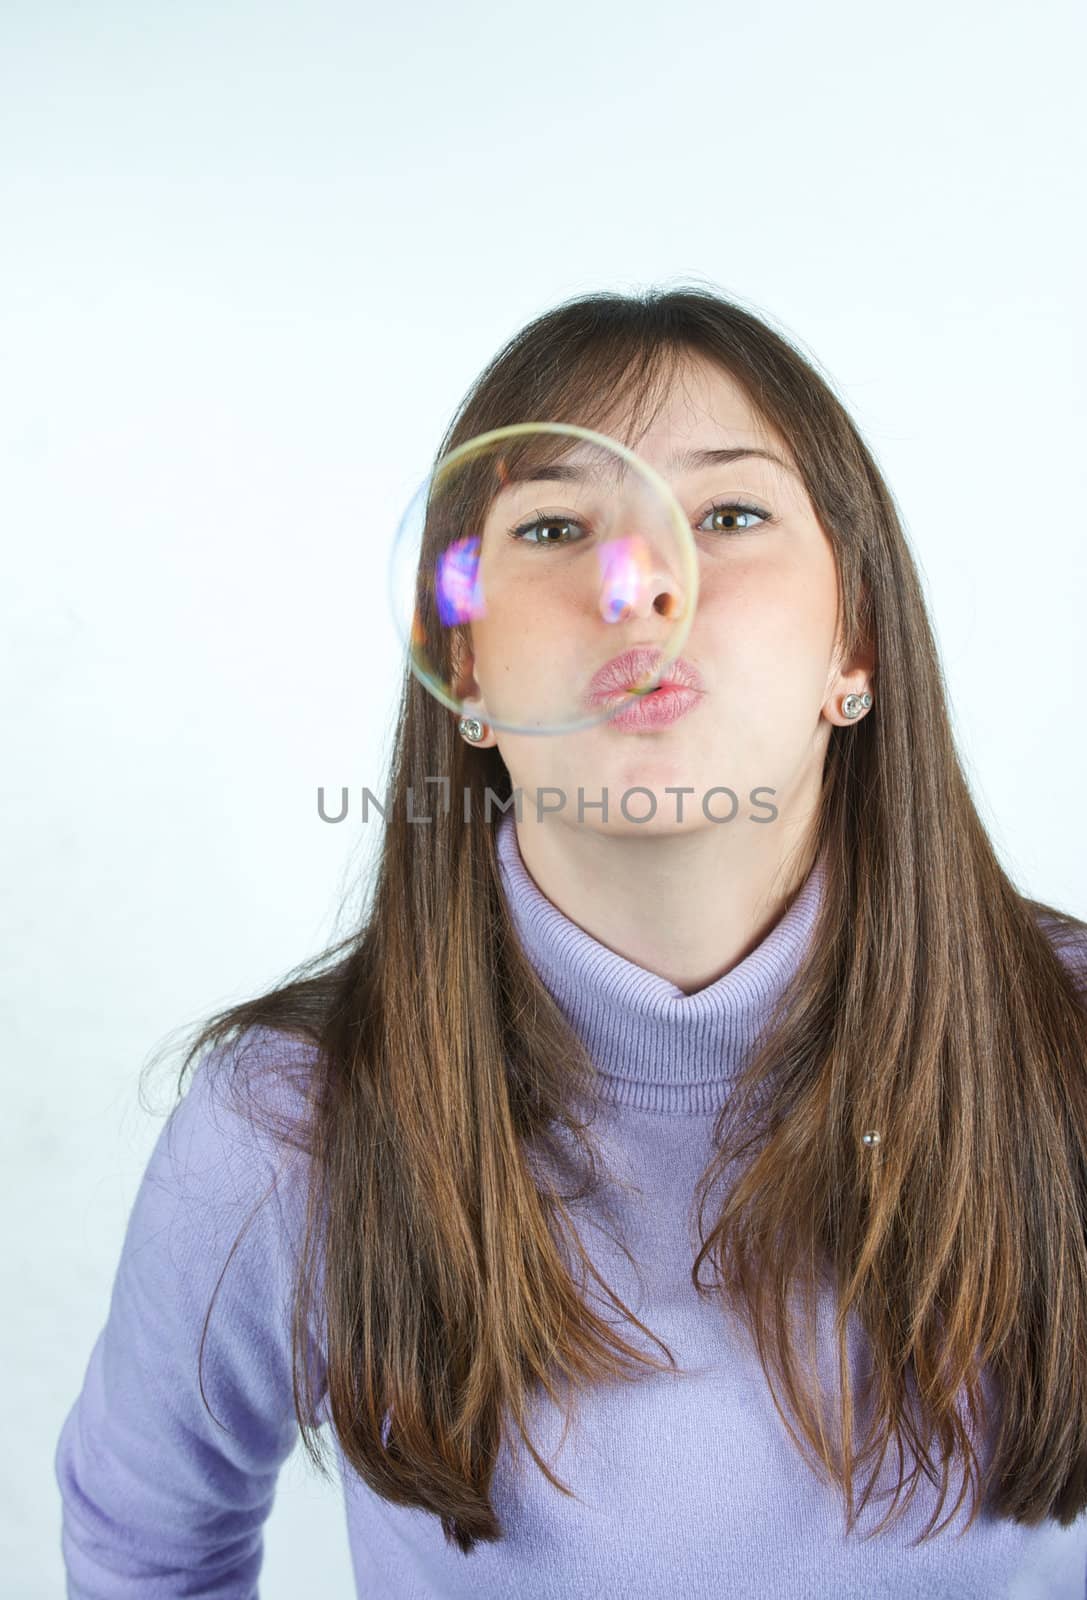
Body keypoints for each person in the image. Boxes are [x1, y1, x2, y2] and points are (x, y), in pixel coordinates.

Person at [54, 287, 1087, 1598]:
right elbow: (147, 1546)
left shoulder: (1074, 1049)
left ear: (858, 643)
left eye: (727, 515)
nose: (641, 581)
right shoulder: (289, 1124)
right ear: (466, 672)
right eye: (554, 526)